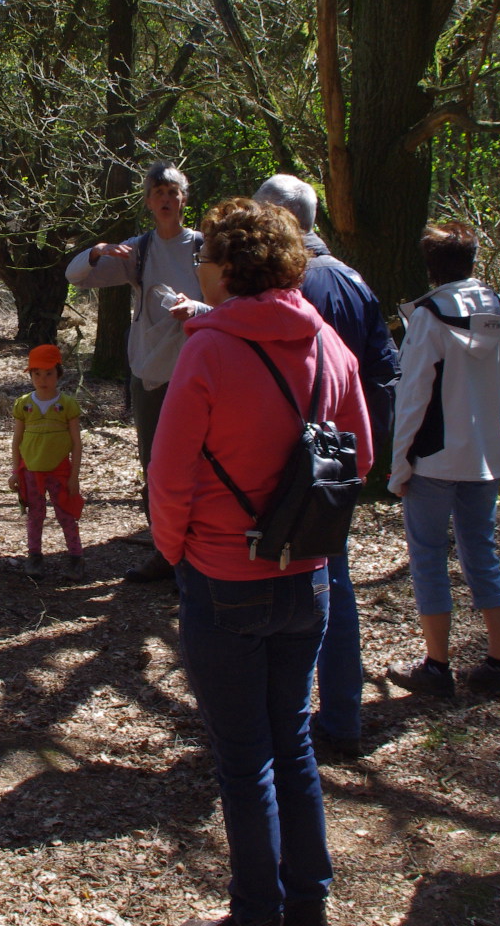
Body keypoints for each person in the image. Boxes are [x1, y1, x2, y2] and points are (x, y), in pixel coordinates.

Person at [149, 198, 372, 926]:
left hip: (222, 579)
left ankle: (256, 914)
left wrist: (176, 549)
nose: (201, 267)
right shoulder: (330, 346)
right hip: (307, 575)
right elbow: (360, 458)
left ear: (230, 270)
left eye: (206, 256)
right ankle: (307, 905)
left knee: (244, 765)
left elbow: (170, 473)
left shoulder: (208, 352)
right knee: (294, 742)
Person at [254, 174, 399, 759]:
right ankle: (339, 716)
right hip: (339, 463)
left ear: (282, 219)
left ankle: (297, 723)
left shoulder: (286, 284)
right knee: (332, 583)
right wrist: (364, 453)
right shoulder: (355, 280)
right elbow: (384, 371)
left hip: (293, 465)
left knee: (299, 588)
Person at [385, 221, 500, 701]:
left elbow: (413, 397)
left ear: (429, 266)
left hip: (436, 462)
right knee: (481, 553)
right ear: (472, 258)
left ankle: (437, 668)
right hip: (486, 456)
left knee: (428, 558)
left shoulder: (427, 316)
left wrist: (400, 465)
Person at [67, 161, 210, 582]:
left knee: (201, 464)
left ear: (184, 199)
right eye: (158, 193)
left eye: (173, 193)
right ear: (148, 202)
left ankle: (200, 560)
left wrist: (198, 309)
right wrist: (97, 252)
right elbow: (77, 277)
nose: (166, 200)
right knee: (154, 465)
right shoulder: (140, 250)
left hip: (201, 371)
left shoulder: (205, 247)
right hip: (151, 372)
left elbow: (231, 304)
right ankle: (165, 555)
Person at [10, 344, 86, 581]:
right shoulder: (23, 404)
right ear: (30, 375)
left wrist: (74, 476)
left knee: (65, 513)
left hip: (60, 470)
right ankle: (34, 556)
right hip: (31, 470)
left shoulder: (67, 404)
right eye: (37, 374)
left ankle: (76, 558)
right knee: (35, 514)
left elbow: (76, 443)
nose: (43, 380)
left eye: (49, 373)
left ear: (59, 374)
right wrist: (15, 472)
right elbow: (17, 440)